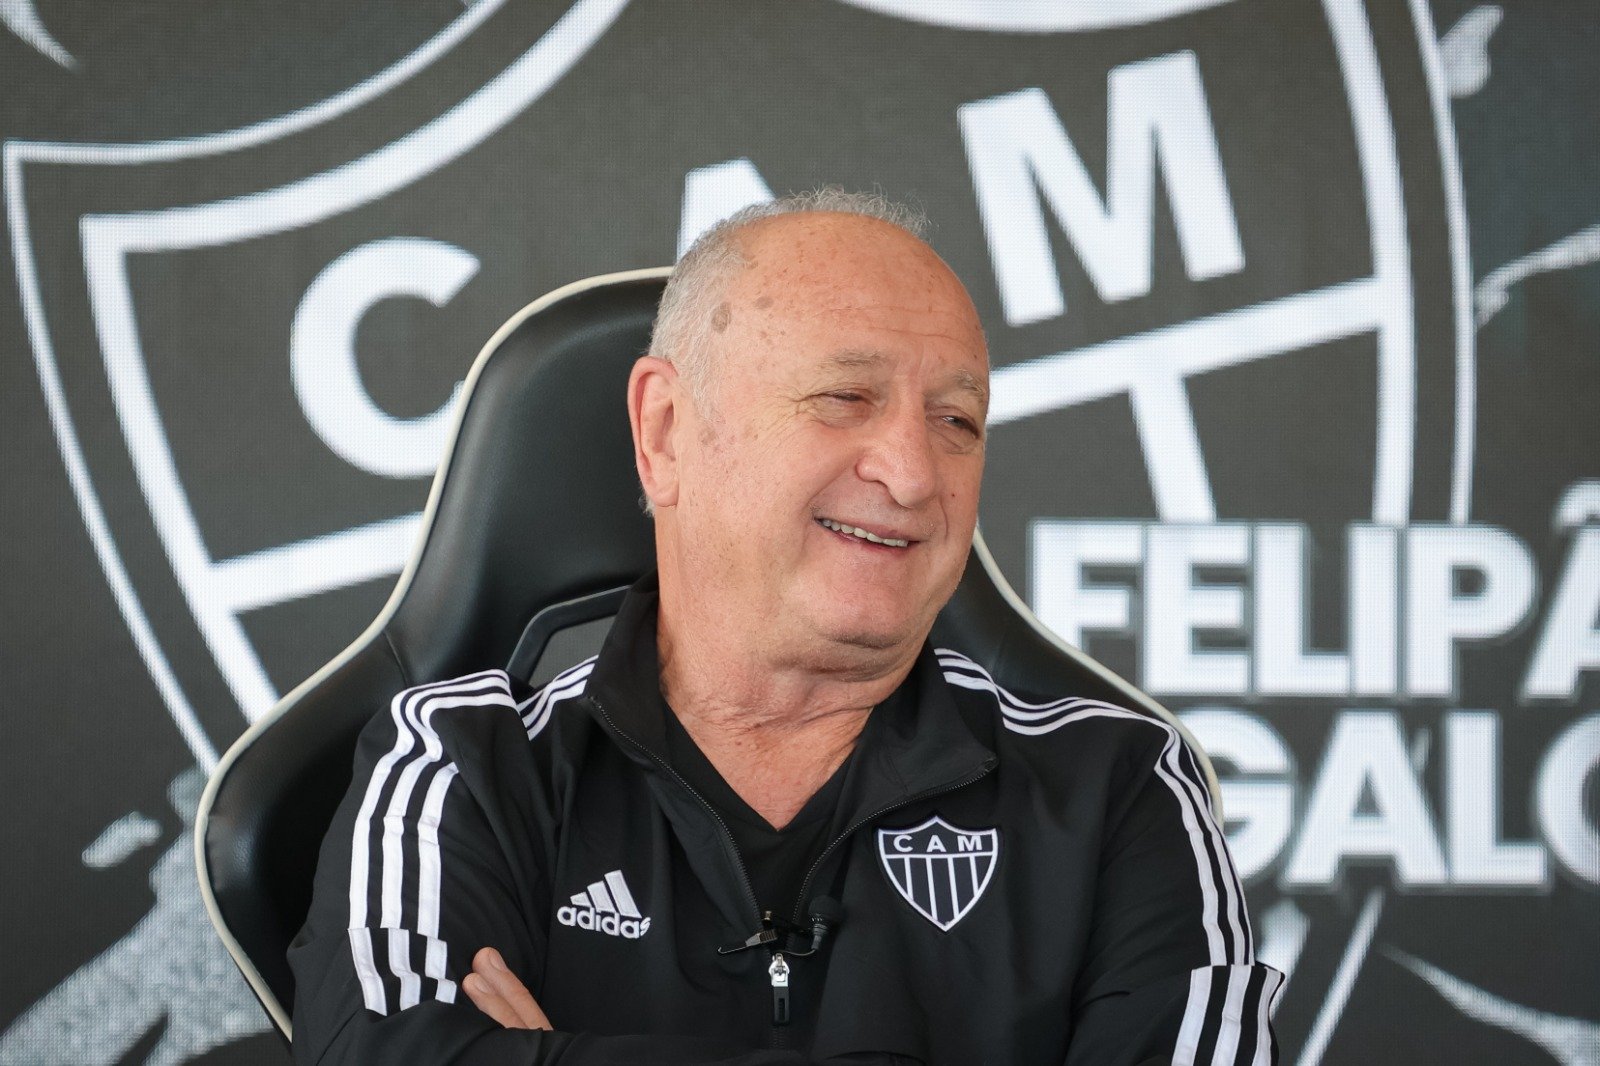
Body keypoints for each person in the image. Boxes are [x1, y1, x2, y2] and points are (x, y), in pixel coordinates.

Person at [289, 191, 1282, 1065]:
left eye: (956, 420)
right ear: (666, 432)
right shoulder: (460, 765)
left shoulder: (1117, 789)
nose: (912, 472)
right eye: (844, 397)